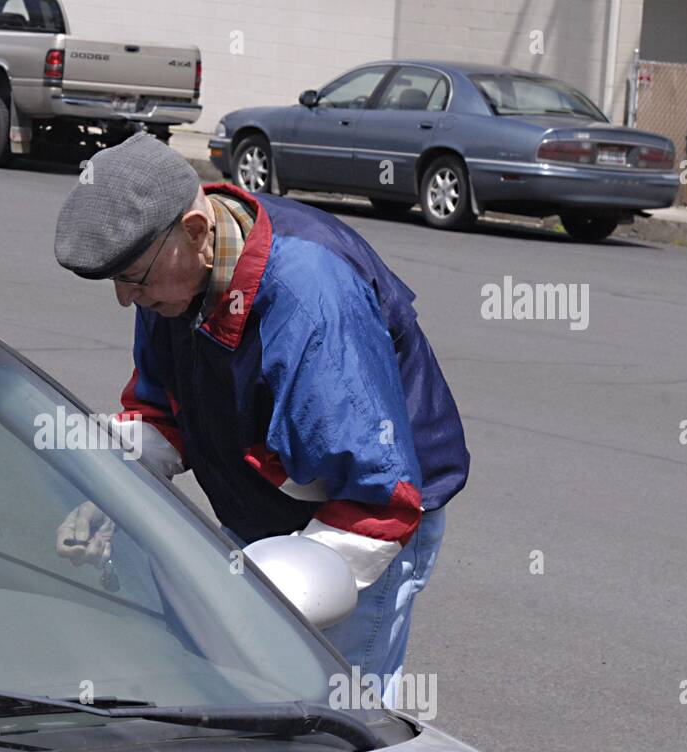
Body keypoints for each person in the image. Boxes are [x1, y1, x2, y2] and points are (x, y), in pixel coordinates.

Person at [51, 132, 469, 704]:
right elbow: (161, 412)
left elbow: (380, 497)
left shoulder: (312, 298)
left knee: (334, 714)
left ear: (197, 232)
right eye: (117, 281)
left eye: (134, 279)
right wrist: (110, 491)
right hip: (269, 516)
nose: (126, 300)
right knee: (240, 689)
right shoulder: (172, 274)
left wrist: (263, 605)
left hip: (364, 518)